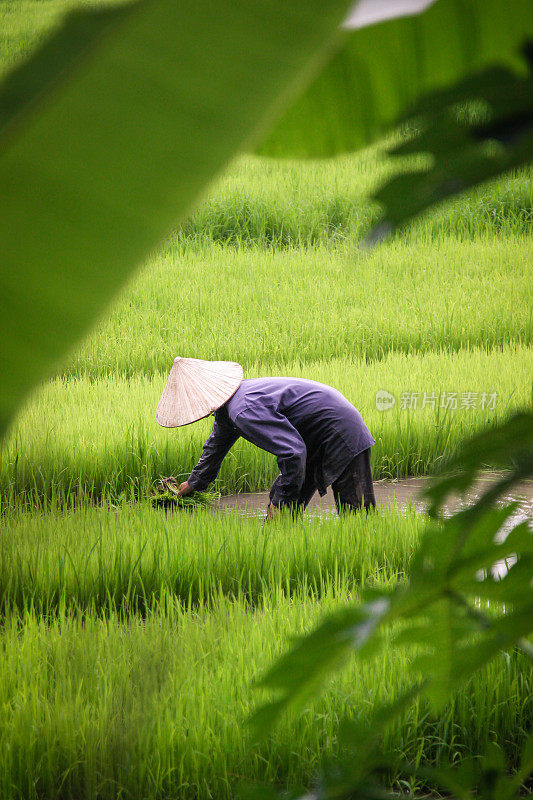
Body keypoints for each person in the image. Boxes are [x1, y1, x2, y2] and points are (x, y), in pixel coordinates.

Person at [155, 357, 376, 516]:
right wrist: (192, 484)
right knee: (280, 516)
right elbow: (214, 451)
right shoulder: (228, 411)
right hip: (313, 437)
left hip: (340, 430)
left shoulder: (243, 410)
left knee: (357, 518)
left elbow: (292, 452)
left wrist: (281, 501)